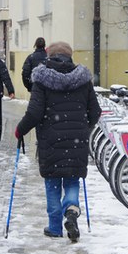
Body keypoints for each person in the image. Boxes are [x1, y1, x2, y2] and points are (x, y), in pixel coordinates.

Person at [14, 41, 102, 242]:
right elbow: (95, 112)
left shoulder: (42, 79)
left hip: (50, 140)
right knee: (72, 179)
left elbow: (34, 113)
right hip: (77, 140)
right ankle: (71, 208)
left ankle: (55, 227)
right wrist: (84, 127)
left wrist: (20, 130)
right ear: (70, 56)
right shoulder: (83, 79)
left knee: (52, 182)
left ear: (49, 56)